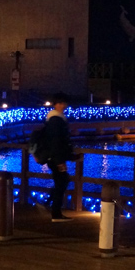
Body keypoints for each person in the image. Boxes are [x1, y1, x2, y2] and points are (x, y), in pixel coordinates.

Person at [46, 92, 79, 222]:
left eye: (64, 103)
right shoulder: (56, 120)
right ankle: (55, 213)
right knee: (62, 181)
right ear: (55, 104)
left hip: (55, 157)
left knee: (61, 181)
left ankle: (52, 207)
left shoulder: (56, 119)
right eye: (60, 103)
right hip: (56, 158)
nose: (63, 105)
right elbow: (56, 141)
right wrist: (60, 160)